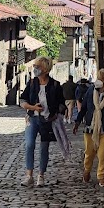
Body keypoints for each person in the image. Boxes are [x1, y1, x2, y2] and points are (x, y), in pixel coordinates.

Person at [19, 56, 65, 187]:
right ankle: (29, 176)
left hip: (47, 121)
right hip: (32, 119)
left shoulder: (55, 85)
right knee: (29, 145)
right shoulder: (32, 83)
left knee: (44, 148)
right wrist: (32, 107)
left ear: (45, 69)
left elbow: (62, 104)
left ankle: (41, 175)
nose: (35, 69)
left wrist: (56, 114)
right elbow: (22, 101)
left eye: (37, 67)